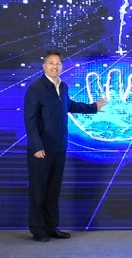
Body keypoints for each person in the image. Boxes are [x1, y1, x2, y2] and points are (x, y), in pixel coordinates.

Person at [23, 51, 106, 242]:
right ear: (44, 66)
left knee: (53, 190)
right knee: (38, 190)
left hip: (59, 147)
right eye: (51, 63)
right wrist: (36, 146)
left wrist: (94, 107)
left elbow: (70, 105)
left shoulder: (63, 86)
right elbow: (30, 120)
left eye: (58, 63)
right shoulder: (36, 88)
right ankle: (38, 230)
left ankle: (51, 227)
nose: (55, 66)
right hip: (41, 149)